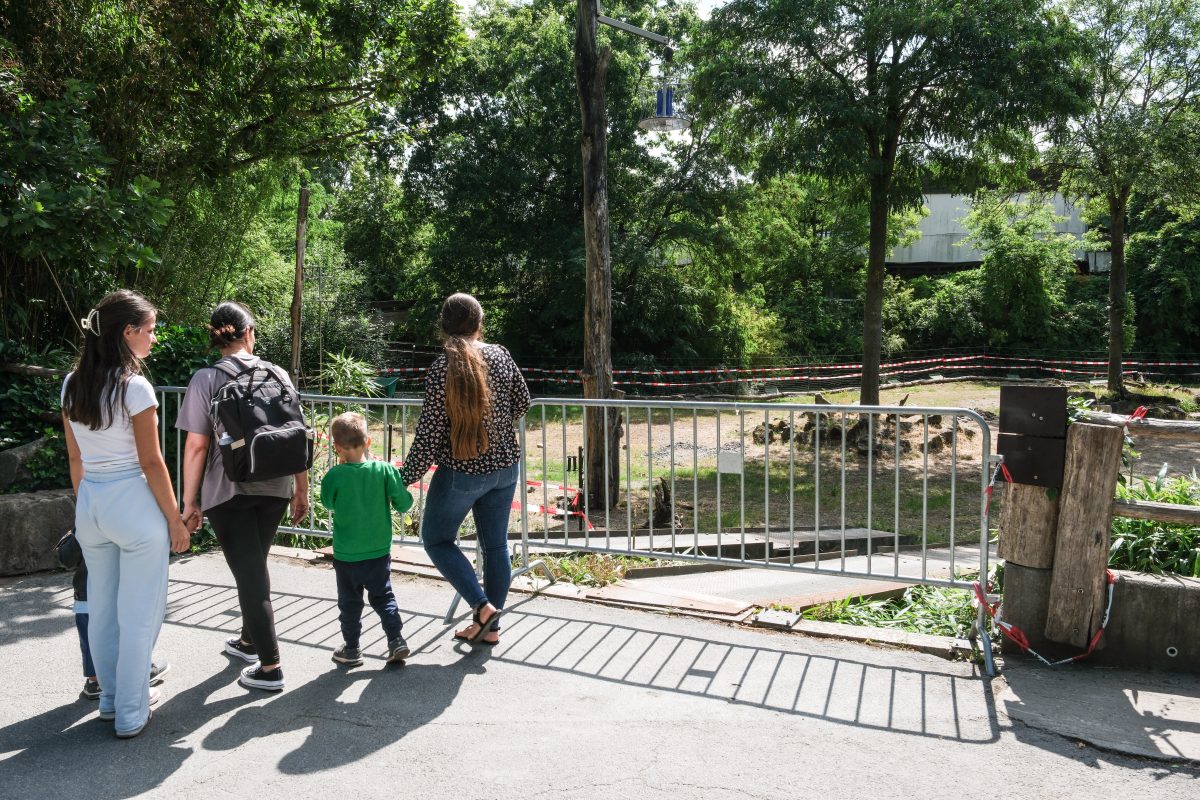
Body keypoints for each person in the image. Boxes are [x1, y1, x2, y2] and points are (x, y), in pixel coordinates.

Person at [61, 290, 192, 738]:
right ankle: (133, 712)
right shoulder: (134, 387)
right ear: (127, 332)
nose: (154, 338)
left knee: (102, 609)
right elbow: (152, 462)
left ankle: (113, 700)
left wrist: (86, 510)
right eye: (150, 330)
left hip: (92, 502)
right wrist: (175, 520)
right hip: (132, 504)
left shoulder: (71, 383)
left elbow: (75, 460)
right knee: (139, 613)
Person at [177, 301, 310, 692]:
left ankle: (270, 667)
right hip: (277, 485)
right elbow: (296, 431)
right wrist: (301, 488)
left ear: (215, 338)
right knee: (254, 565)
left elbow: (197, 448)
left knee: (250, 574)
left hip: (229, 487)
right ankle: (249, 640)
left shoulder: (205, 379)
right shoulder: (278, 372)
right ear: (249, 333)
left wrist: (189, 502)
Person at [400, 293, 530, 646]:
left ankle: (483, 609)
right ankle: (490, 628)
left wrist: (404, 476)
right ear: (479, 322)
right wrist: (497, 428)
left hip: (462, 471)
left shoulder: (442, 367)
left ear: (443, 325)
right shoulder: (501, 356)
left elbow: (429, 434)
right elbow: (523, 402)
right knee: (496, 546)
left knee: (437, 540)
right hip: (505, 467)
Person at [319, 412, 414, 666]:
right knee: (383, 597)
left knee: (349, 603)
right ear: (368, 441)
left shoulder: (334, 476)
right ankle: (396, 639)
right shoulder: (384, 470)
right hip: (378, 550)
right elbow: (403, 504)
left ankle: (351, 649)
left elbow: (327, 502)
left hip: (346, 554)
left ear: (337, 448)